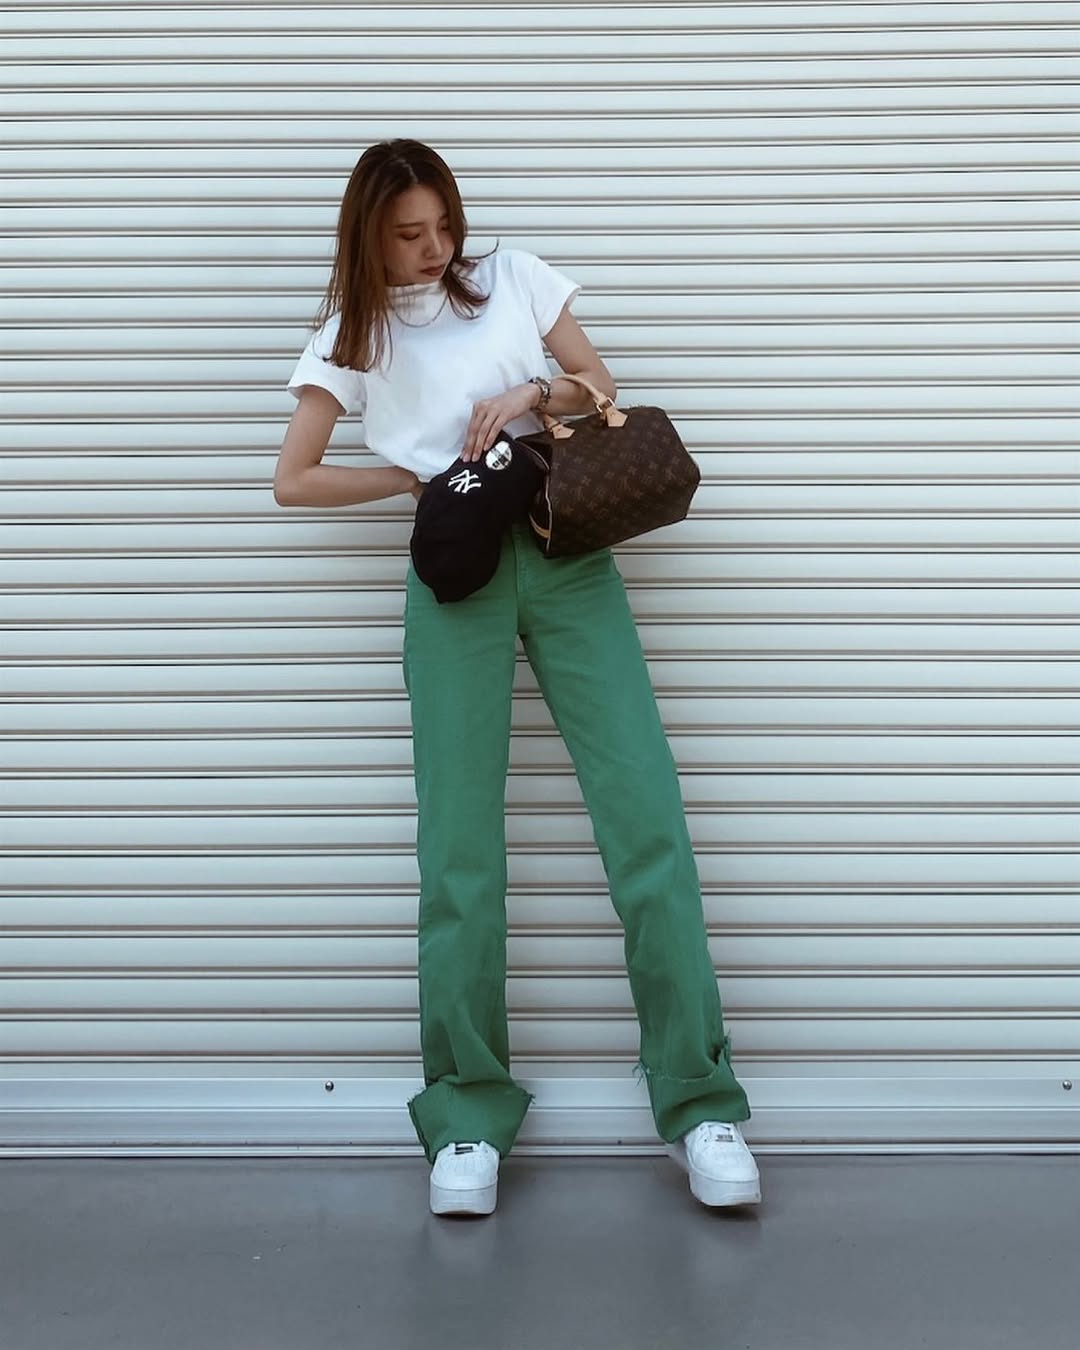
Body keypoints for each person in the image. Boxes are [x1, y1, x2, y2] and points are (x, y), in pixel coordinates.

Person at [273, 139, 760, 1216]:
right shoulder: (349, 338)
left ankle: (701, 1101)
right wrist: (410, 471)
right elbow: (292, 480)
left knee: (646, 821)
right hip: (456, 582)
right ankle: (465, 1115)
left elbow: (601, 386)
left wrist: (536, 390)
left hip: (569, 561)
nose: (433, 249)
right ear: (368, 235)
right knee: (458, 855)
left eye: (444, 225)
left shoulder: (513, 280)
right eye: (408, 234)